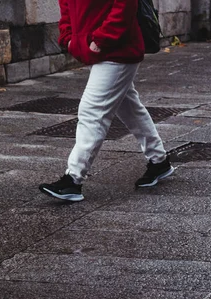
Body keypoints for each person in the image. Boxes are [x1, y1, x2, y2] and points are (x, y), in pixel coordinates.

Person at [39, 0, 173, 202]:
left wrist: (100, 40)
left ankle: (73, 180)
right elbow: (66, 7)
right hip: (100, 49)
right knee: (130, 109)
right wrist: (69, 39)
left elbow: (125, 5)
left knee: (92, 111)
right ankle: (159, 161)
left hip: (118, 48)